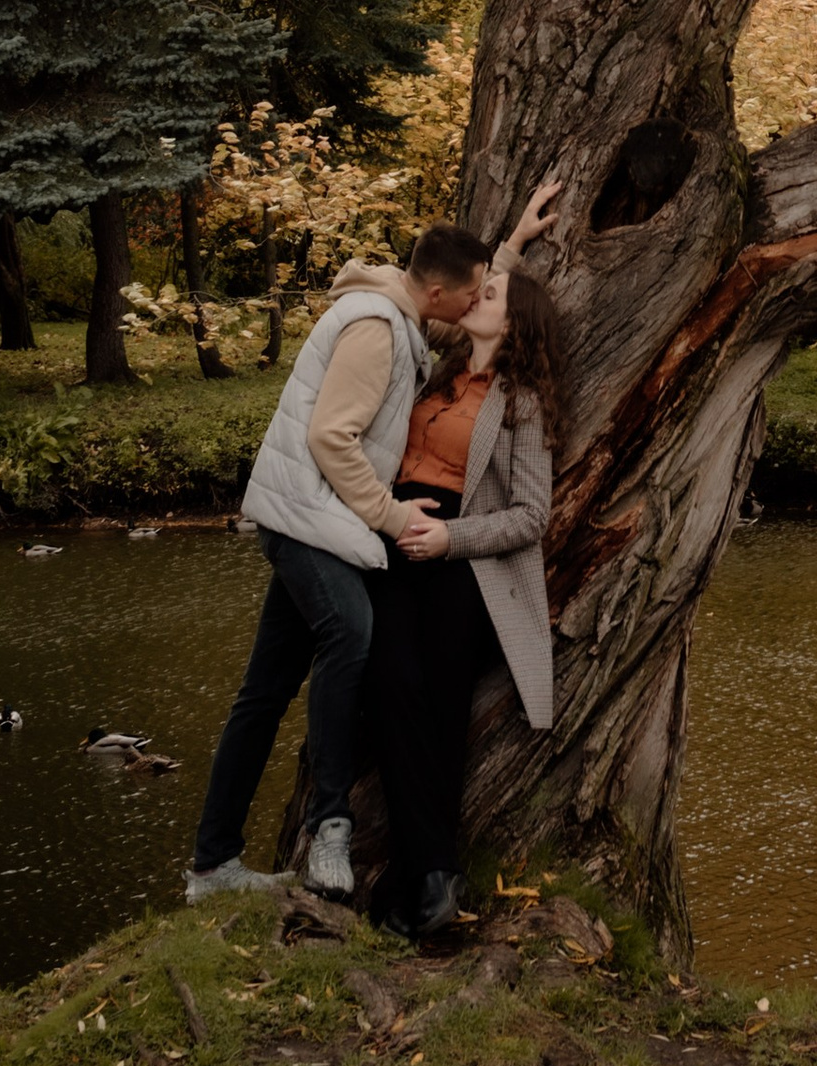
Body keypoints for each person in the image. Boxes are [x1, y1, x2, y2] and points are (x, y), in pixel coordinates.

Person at [185, 182, 558, 904]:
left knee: (267, 692)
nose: (481, 299)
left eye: (492, 294)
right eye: (477, 289)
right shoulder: (380, 328)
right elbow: (332, 436)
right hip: (328, 522)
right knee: (356, 645)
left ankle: (215, 864)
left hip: (360, 527)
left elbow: (475, 325)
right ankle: (330, 828)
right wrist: (392, 518)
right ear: (446, 292)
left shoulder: (426, 334)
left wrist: (510, 244)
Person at [365, 258, 562, 939]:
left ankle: (421, 885)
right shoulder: (440, 371)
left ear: (513, 323)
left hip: (462, 561)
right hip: (393, 540)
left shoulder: (521, 401)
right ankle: (429, 878)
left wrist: (450, 537)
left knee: (441, 714)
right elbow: (449, 289)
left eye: (495, 293)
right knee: (392, 691)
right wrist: (517, 238)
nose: (479, 295)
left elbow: (533, 515)